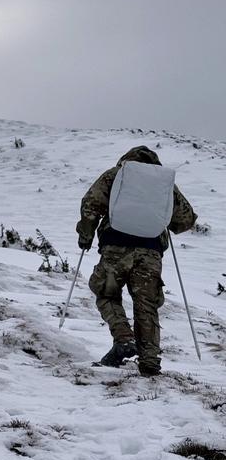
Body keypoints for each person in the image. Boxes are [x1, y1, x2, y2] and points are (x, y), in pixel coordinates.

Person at [77, 145, 197, 376]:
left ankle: (123, 338)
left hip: (115, 245)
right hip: (150, 252)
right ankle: (150, 362)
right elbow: (185, 219)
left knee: (106, 292)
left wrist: (86, 235)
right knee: (147, 305)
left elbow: (91, 203)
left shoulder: (116, 174)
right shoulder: (164, 184)